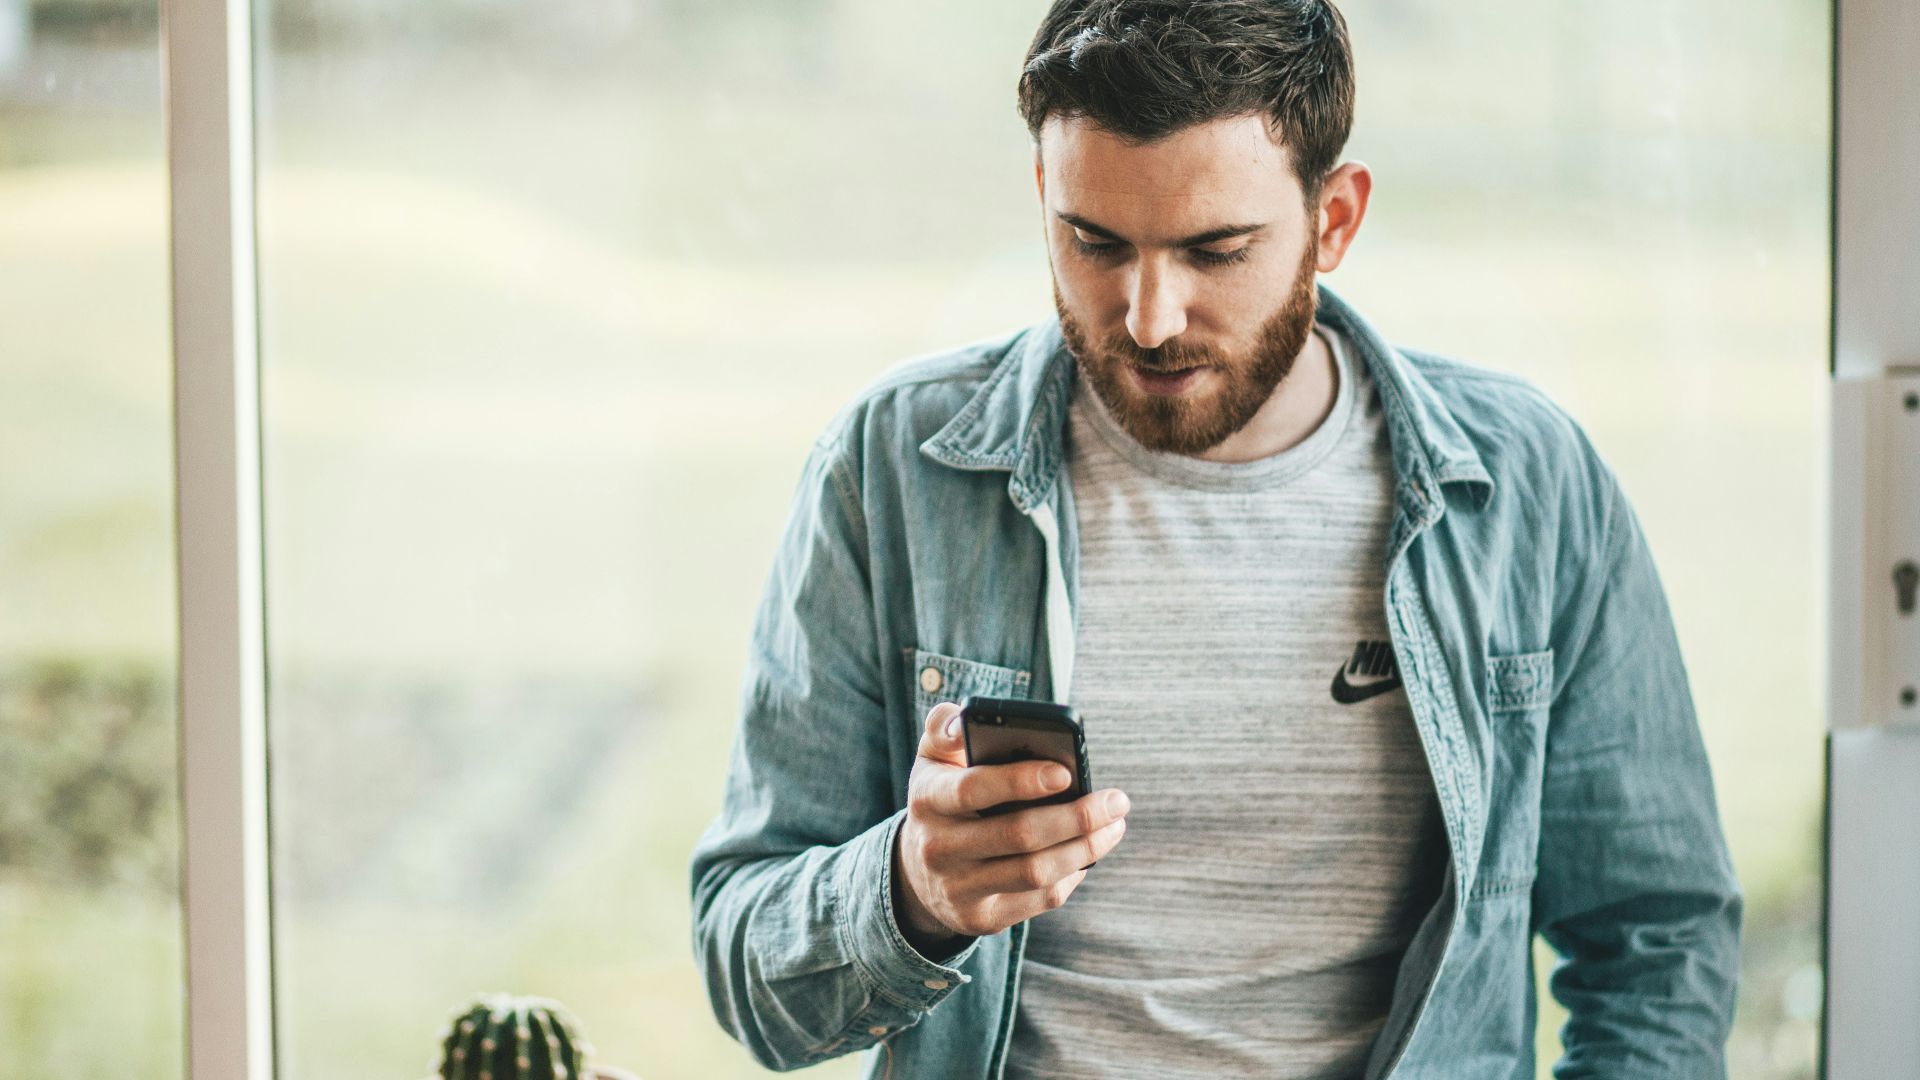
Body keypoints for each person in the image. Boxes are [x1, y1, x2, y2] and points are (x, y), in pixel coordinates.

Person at [689, 2, 1742, 1077]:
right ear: (1044, 196)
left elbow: (1658, 943)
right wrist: (912, 891)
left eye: (1216, 250)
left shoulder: (1531, 486)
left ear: (1335, 218)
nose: (1148, 316)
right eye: (1094, 243)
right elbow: (749, 968)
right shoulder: (892, 470)